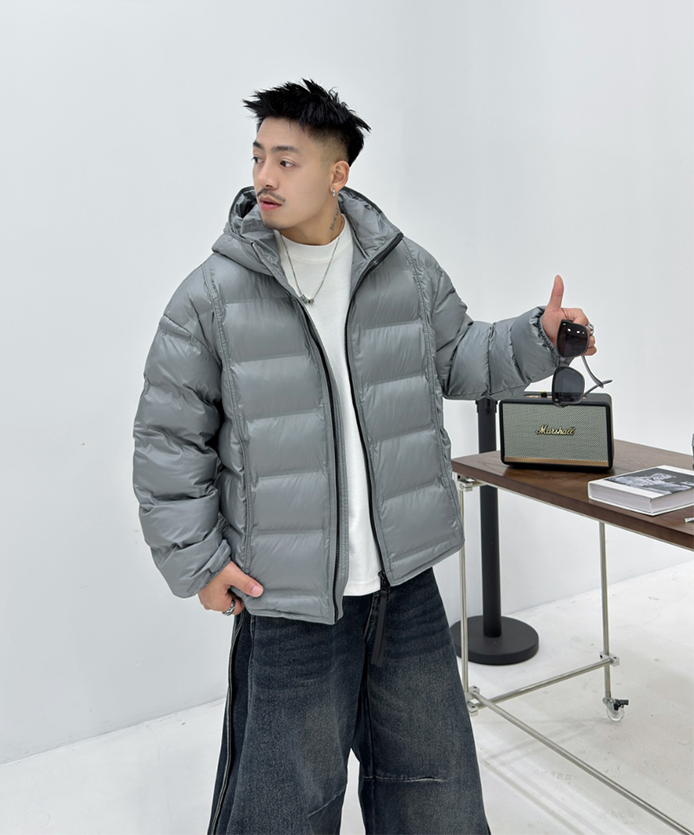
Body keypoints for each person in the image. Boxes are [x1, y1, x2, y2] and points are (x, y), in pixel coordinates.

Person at [133, 79, 596, 835]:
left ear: (337, 173)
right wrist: (199, 562)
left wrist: (538, 339)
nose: (264, 177)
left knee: (437, 798)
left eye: (286, 161)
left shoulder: (402, 269)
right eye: (258, 157)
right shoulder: (211, 296)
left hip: (402, 589)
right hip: (286, 602)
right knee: (285, 811)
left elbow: (460, 355)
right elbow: (167, 436)